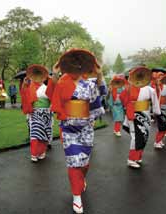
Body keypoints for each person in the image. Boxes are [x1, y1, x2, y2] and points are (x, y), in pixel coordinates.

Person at [51, 49, 104, 214]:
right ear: (67, 66)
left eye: (78, 65)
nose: (75, 68)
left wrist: (100, 75)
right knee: (74, 161)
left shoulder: (89, 83)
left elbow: (101, 94)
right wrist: (54, 74)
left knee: (84, 163)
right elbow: (52, 94)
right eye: (71, 65)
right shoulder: (61, 82)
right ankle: (76, 196)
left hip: (86, 128)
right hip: (68, 128)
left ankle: (81, 180)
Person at [120, 66, 161, 169]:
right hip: (133, 114)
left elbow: (155, 101)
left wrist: (157, 112)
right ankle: (131, 159)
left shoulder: (150, 89)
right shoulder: (129, 88)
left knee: (144, 136)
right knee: (136, 137)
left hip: (145, 114)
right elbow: (123, 99)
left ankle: (138, 157)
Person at [20, 64, 57, 162]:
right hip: (35, 113)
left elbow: (53, 95)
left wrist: (51, 79)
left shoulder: (47, 87)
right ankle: (34, 153)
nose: (38, 78)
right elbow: (25, 97)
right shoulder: (29, 87)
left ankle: (41, 152)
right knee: (35, 134)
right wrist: (25, 85)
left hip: (46, 113)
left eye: (41, 75)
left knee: (45, 134)